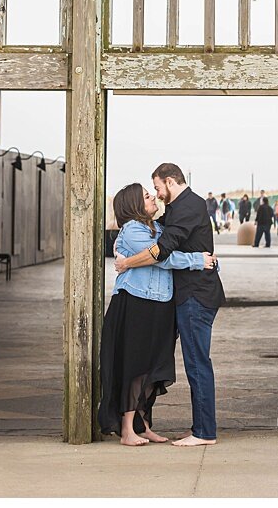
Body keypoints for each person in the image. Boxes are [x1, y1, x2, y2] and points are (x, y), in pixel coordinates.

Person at [115, 163, 226, 447]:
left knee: (197, 364)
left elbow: (163, 250)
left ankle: (204, 432)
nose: (156, 194)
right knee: (180, 363)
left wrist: (127, 262)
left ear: (170, 181)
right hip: (186, 295)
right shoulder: (177, 208)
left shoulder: (189, 206)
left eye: (157, 188)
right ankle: (185, 427)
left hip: (195, 295)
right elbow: (157, 240)